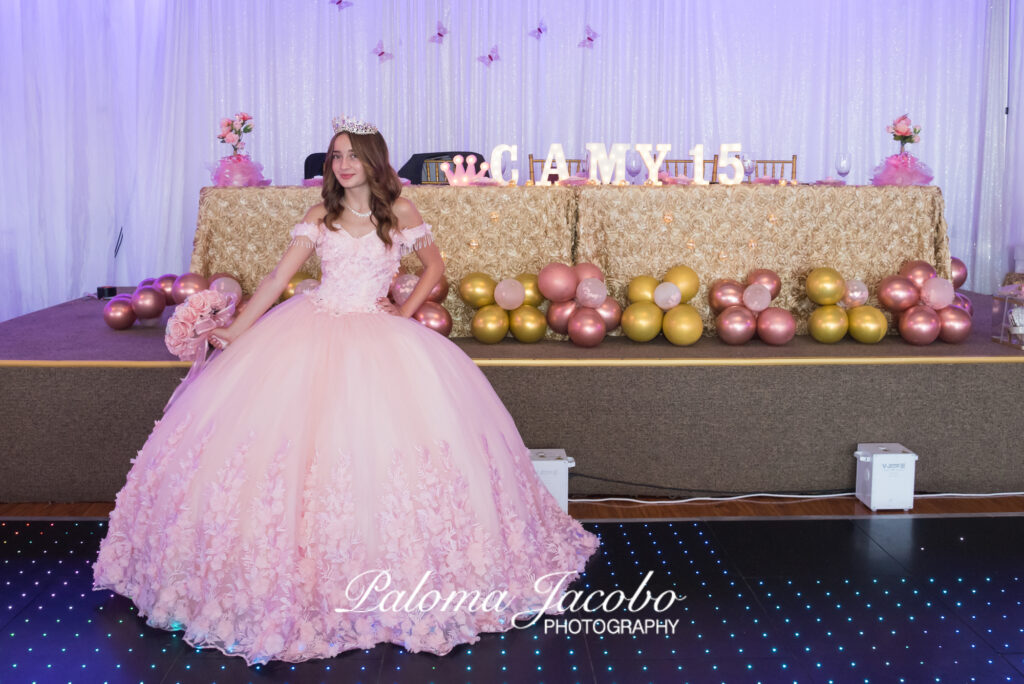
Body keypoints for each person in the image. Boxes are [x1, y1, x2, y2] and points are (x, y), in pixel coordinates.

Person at [92, 116, 600, 665]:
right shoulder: (319, 214)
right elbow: (272, 279)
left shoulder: (401, 211)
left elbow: (433, 268)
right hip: (312, 326)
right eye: (335, 155)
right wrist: (237, 332)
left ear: (373, 160)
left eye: (351, 154)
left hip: (378, 333)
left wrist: (403, 314)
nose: (342, 164)